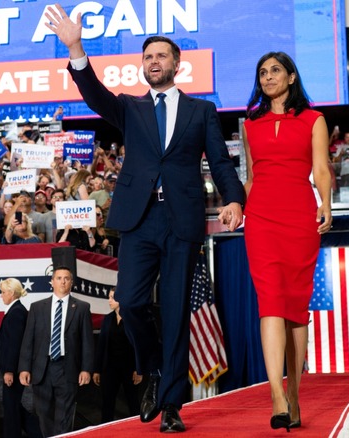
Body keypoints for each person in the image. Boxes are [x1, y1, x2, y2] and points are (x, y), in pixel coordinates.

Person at [45, 7, 244, 433]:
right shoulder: (129, 109)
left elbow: (222, 162)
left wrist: (234, 199)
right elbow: (94, 94)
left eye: (160, 56)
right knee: (131, 303)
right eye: (147, 57)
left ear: (176, 64)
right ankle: (153, 366)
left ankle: (172, 403)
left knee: (174, 312)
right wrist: (75, 47)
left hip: (182, 222)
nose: (153, 61)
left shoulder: (202, 111)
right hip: (138, 220)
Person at [242, 51, 332, 431]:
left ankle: (295, 393)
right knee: (270, 303)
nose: (268, 77)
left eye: (275, 70)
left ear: (292, 77)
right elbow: (248, 177)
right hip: (260, 218)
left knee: (295, 308)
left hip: (299, 217)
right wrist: (237, 208)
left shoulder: (314, 119)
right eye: (262, 72)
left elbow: (322, 169)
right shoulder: (249, 123)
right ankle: (276, 395)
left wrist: (326, 203)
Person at [18, 266, 94, 437]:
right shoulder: (37, 307)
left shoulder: (81, 308)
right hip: (42, 370)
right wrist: (24, 368)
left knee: (64, 416)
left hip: (68, 369)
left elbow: (87, 342)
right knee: (43, 414)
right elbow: (28, 340)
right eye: (58, 278)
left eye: (66, 278)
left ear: (72, 282)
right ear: (52, 281)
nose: (63, 281)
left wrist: (86, 369)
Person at [0, 278, 42, 438]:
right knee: (12, 406)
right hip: (13, 370)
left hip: (13, 370)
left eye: (3, 292)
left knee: (11, 407)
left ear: (11, 293)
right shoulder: (15, 310)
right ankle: (40, 433)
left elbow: (15, 345)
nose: (1, 296)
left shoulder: (16, 313)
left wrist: (9, 370)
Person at [93, 288, 142, 423]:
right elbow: (101, 345)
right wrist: (97, 370)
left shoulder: (133, 318)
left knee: (133, 401)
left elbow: (139, 346)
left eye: (112, 297)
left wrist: (139, 369)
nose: (109, 301)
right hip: (110, 368)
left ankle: (139, 429)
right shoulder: (107, 319)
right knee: (107, 403)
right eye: (109, 297)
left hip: (129, 368)